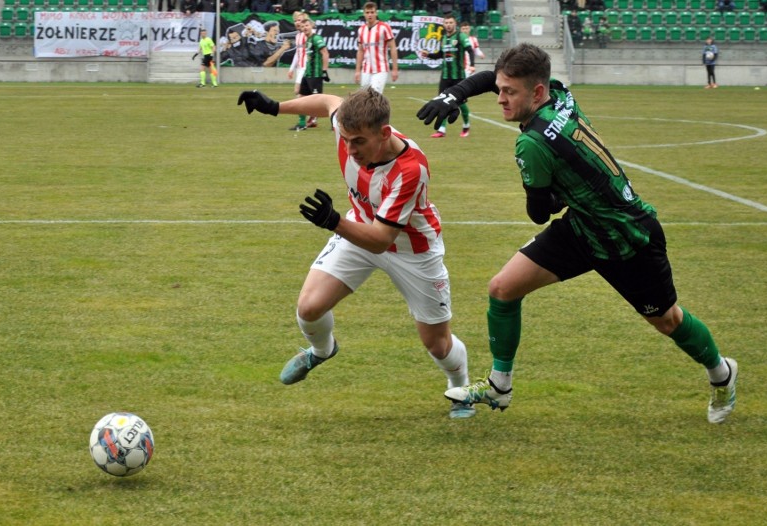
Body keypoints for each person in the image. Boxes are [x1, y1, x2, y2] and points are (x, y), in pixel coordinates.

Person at [414, 43, 738, 424]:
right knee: (503, 288)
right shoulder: (560, 93)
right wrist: (454, 94)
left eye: (509, 93)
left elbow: (537, 213)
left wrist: (550, 195)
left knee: (667, 320)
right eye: (500, 90)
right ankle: (500, 385)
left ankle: (722, 373)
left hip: (626, 236)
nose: (500, 98)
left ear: (536, 92)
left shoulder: (531, 142)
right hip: (583, 226)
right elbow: (490, 79)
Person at [236, 87, 476, 419]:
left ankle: (460, 387)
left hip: (412, 250)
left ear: (385, 133)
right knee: (309, 308)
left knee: (437, 344)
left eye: (358, 142)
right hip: (359, 229)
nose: (350, 149)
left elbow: (381, 239)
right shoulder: (351, 127)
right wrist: (274, 107)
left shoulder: (410, 169)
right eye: (345, 139)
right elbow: (328, 102)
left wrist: (332, 221)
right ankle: (321, 350)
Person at [419, 13, 474, 138]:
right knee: (442, 101)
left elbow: (470, 50)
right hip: (445, 77)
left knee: (461, 103)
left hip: (458, 76)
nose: (448, 25)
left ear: (455, 24)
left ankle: (466, 125)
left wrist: (472, 65)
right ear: (444, 24)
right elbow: (440, 55)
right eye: (446, 23)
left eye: (451, 22)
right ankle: (442, 130)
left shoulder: (461, 36)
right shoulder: (443, 38)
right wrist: (428, 55)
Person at [288, 18, 329, 131]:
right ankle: (302, 124)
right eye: (302, 26)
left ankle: (336, 121)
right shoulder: (308, 40)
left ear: (311, 26)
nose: (304, 28)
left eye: (306, 25)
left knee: (319, 102)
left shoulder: (316, 38)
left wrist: (324, 70)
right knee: (301, 98)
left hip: (316, 75)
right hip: (308, 74)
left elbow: (325, 53)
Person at [355, 2, 399, 94]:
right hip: (366, 69)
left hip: (381, 68)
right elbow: (360, 51)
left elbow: (393, 48)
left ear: (376, 13)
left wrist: (395, 69)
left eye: (372, 12)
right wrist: (357, 70)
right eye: (367, 12)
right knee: (364, 97)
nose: (370, 15)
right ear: (364, 14)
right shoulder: (361, 30)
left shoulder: (384, 27)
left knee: (374, 95)